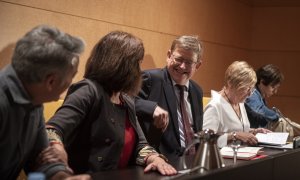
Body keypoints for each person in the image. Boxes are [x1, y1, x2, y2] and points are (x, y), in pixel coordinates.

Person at [45, 31, 177, 175]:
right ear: (121, 64)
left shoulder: (125, 99)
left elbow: (141, 145)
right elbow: (51, 130)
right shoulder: (88, 90)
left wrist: (155, 159)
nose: (139, 70)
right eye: (137, 63)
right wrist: (57, 147)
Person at [0, 25, 89, 179]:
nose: (72, 81)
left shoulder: (33, 99)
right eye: (73, 75)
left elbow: (43, 159)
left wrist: (64, 178)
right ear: (51, 82)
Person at [135, 35, 204, 160]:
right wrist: (152, 108)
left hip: (194, 160)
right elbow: (127, 101)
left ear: (197, 66)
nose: (182, 66)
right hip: (162, 159)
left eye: (188, 62)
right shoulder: (150, 79)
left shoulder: (197, 91)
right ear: (168, 55)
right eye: (178, 59)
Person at [203, 61, 270, 147]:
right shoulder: (215, 106)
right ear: (231, 83)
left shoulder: (239, 102)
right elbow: (206, 140)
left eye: (252, 89)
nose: (250, 94)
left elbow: (237, 130)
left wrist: (253, 131)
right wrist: (234, 136)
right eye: (246, 88)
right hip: (222, 158)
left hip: (243, 155)